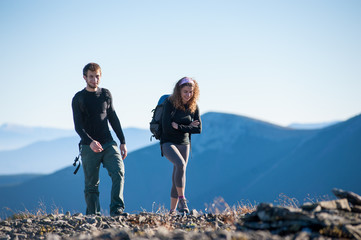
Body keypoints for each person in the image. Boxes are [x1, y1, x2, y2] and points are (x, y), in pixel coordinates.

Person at [71, 63, 127, 216]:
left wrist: (122, 141)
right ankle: (93, 216)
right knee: (91, 185)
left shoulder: (106, 94)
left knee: (118, 172)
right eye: (91, 76)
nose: (94, 80)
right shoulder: (79, 98)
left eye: (97, 76)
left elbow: (113, 118)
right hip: (88, 146)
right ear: (85, 77)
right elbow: (78, 126)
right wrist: (90, 142)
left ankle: (117, 210)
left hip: (108, 142)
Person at [161, 77, 202, 214]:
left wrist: (179, 126)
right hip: (168, 142)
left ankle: (172, 211)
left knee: (178, 172)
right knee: (181, 165)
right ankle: (182, 200)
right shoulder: (169, 103)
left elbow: (198, 129)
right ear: (179, 91)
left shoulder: (193, 106)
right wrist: (188, 126)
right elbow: (166, 128)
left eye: (191, 92)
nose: (188, 95)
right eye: (185, 92)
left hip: (184, 143)